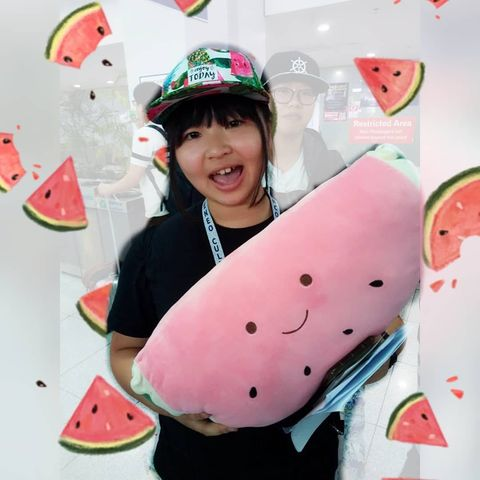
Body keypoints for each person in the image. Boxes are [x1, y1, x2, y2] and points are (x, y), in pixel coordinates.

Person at [108, 47, 342, 480]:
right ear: (176, 152)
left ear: (267, 131)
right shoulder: (152, 248)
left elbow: (366, 344)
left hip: (303, 462)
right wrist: (172, 409)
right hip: (195, 464)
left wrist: (376, 345)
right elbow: (125, 352)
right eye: (192, 135)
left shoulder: (320, 230)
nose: (216, 149)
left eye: (234, 124)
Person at [261, 50, 346, 211]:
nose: (295, 103)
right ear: (266, 98)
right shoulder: (241, 161)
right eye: (283, 91)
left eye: (306, 93)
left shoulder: (332, 165)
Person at [96, 81, 169, 219]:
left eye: (135, 103)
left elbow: (132, 179)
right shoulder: (168, 128)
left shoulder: (145, 134)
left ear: (142, 105)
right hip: (177, 206)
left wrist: (106, 189)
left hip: (159, 212)